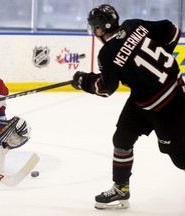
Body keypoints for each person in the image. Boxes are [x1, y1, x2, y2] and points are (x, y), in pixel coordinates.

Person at [72, 4, 184, 210]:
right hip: (144, 99)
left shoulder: (107, 53)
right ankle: (121, 188)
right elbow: (173, 31)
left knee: (180, 158)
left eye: (94, 27)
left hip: (170, 105)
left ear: (100, 28)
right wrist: (161, 58)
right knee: (122, 138)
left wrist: (85, 82)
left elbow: (106, 89)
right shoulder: (134, 25)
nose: (94, 32)